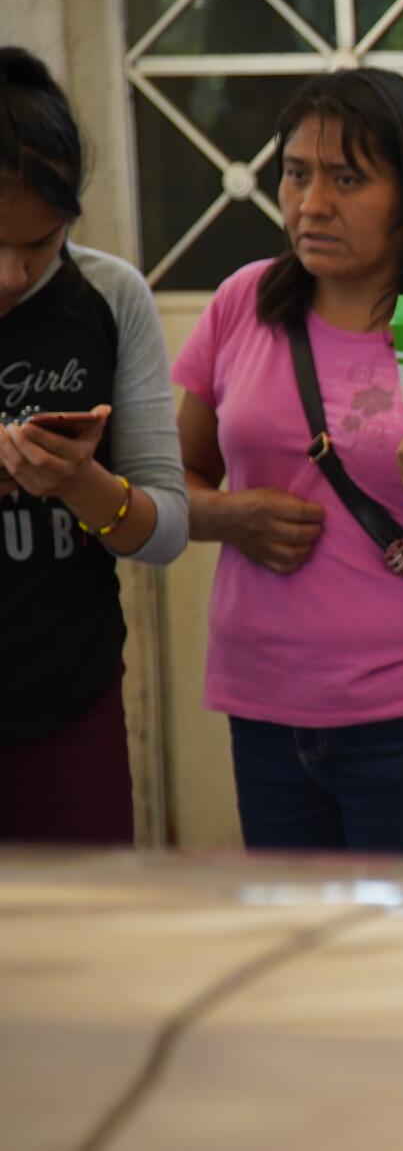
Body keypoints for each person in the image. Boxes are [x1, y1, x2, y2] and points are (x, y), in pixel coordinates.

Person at [173, 68, 403, 854]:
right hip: (266, 705)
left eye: (347, 179)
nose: (312, 204)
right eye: (297, 174)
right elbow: (175, 479)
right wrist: (224, 514)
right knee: (297, 948)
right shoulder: (244, 302)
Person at [0, 46, 188, 844]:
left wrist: (82, 485)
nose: (12, 274)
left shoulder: (111, 296)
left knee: (84, 948)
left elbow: (166, 531)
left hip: (67, 699)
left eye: (40, 245)